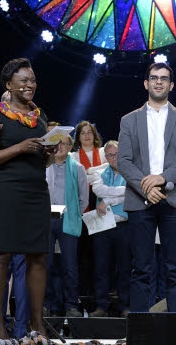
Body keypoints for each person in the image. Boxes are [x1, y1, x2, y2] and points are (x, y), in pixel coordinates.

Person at [0, 57, 56, 339]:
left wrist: (47, 154)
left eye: (32, 80)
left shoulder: (40, 116)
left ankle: (37, 324)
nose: (29, 85)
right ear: (8, 84)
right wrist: (21, 147)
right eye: (23, 80)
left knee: (38, 256)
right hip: (7, 191)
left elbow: (40, 161)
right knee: (1, 255)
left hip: (36, 191)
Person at [117, 62, 176, 313]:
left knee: (174, 268)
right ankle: (141, 333)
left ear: (171, 85)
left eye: (164, 79)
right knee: (141, 268)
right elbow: (123, 160)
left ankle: (175, 331)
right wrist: (146, 188)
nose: (158, 82)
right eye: (153, 78)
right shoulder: (129, 120)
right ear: (146, 83)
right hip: (140, 199)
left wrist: (162, 179)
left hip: (174, 198)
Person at [86, 139, 131, 317]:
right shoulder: (98, 173)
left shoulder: (130, 172)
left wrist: (107, 200)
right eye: (110, 155)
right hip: (102, 226)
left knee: (125, 267)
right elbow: (99, 190)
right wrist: (114, 195)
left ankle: (125, 305)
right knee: (101, 268)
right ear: (106, 157)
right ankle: (101, 306)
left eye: (117, 154)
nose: (114, 158)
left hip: (123, 224)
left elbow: (132, 191)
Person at [45, 135, 88, 316]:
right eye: (57, 142)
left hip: (67, 219)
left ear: (70, 147)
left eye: (63, 143)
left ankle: (71, 304)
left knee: (69, 265)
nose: (60, 146)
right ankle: (46, 305)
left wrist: (72, 214)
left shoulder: (78, 168)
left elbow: (83, 198)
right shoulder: (43, 167)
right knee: (45, 264)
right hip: (45, 220)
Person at [71, 120, 106, 299]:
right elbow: (79, 178)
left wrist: (91, 172)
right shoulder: (73, 157)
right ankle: (84, 293)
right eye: (83, 133)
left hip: (102, 203)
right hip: (82, 205)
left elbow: (108, 173)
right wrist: (94, 174)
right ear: (78, 137)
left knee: (100, 254)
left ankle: (101, 293)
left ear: (94, 135)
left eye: (89, 132)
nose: (86, 135)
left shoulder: (103, 153)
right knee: (83, 253)